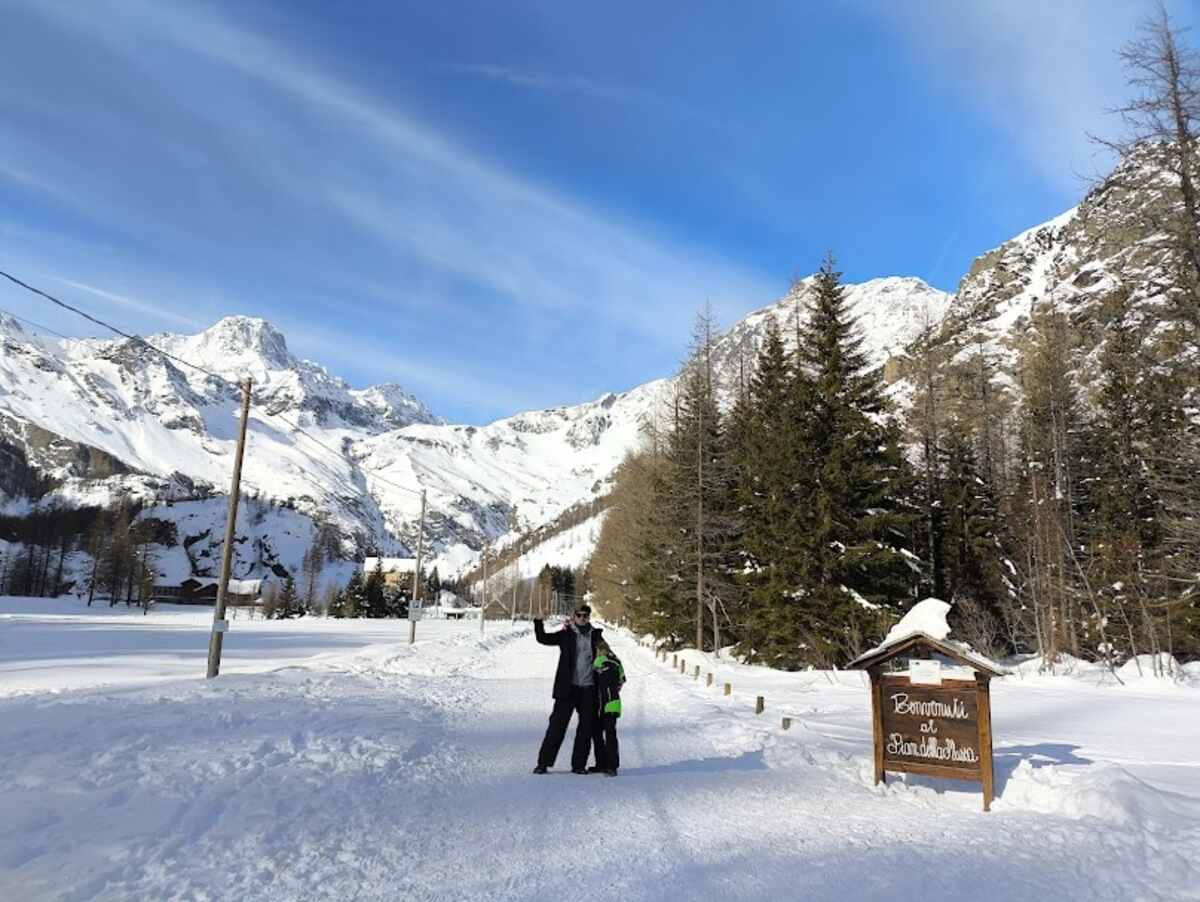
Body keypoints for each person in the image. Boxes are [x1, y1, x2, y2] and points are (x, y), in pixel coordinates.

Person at [532, 605, 605, 775]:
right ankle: (543, 763)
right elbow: (542, 638)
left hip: (588, 689)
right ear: (574, 617)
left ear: (589, 617)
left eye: (585, 616)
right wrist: (538, 621)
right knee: (557, 727)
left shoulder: (596, 637)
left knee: (585, 729)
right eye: (579, 615)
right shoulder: (565, 635)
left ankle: (578, 765)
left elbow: (608, 657)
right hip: (567, 689)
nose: (582, 618)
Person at [589, 640, 625, 777]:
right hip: (612, 702)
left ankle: (610, 765)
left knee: (607, 735)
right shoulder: (617, 662)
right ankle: (604, 764)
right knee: (603, 734)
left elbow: (594, 669)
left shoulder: (601, 660)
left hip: (607, 703)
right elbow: (622, 680)